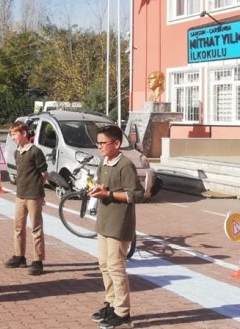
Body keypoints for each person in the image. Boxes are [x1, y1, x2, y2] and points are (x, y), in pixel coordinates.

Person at [88, 125, 144, 328]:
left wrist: (108, 194)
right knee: (104, 265)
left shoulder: (125, 165)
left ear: (117, 144)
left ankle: (123, 311)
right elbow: (105, 185)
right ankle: (111, 303)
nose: (99, 146)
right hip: (104, 221)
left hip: (119, 224)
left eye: (103, 143)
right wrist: (99, 189)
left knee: (116, 267)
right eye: (98, 142)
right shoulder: (104, 162)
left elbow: (136, 195)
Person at [4, 121, 47, 276]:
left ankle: (38, 260)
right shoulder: (17, 152)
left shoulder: (35, 151)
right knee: (18, 226)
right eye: (11, 134)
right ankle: (19, 256)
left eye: (14, 134)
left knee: (36, 228)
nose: (13, 137)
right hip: (20, 195)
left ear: (23, 134)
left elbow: (44, 174)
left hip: (34, 195)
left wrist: (39, 189)